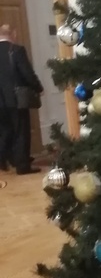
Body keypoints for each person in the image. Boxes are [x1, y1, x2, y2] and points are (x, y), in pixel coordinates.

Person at [0, 23, 43, 175]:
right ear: (13, 34)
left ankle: (4, 159)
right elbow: (27, 73)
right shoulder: (16, 50)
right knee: (21, 131)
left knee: (4, 130)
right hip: (16, 99)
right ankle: (22, 165)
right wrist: (38, 88)